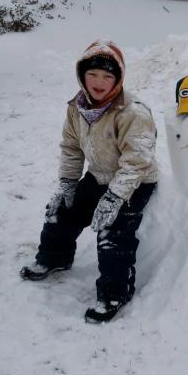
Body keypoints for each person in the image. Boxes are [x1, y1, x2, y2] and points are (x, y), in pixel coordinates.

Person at [20, 40, 158, 323]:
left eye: (108, 76)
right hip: (98, 175)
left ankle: (114, 292)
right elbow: (71, 147)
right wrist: (68, 183)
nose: (99, 82)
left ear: (118, 80)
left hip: (135, 182)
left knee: (112, 231)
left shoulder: (134, 112)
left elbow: (137, 161)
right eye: (93, 74)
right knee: (61, 209)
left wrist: (115, 197)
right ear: (81, 75)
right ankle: (55, 256)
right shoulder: (77, 107)